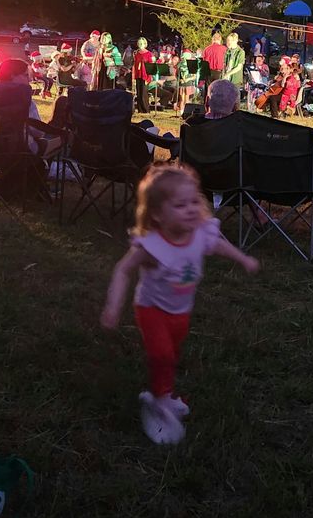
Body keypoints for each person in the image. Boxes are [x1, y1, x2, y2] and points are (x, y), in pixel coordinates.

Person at [101, 164, 260, 444]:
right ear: (158, 215)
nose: (190, 209)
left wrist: (242, 258)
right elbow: (123, 270)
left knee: (170, 354)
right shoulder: (151, 245)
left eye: (193, 201)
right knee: (162, 354)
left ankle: (164, 390)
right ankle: (160, 400)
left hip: (181, 311)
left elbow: (219, 246)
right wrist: (114, 306)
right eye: (180, 205)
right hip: (151, 309)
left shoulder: (200, 233)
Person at [131, 37, 154, 113]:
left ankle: (146, 110)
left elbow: (151, 67)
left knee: (144, 93)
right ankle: (140, 109)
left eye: (142, 43)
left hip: (145, 75)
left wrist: (149, 78)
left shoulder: (148, 54)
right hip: (138, 75)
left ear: (145, 44)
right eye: (139, 43)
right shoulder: (136, 53)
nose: (141, 44)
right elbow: (134, 65)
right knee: (139, 93)